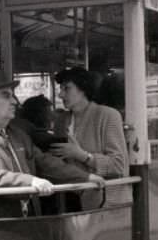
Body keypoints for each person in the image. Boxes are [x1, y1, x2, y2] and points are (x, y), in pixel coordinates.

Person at [0, 69, 105, 220]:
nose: (15, 101)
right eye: (6, 95)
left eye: (12, 95)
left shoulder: (18, 135)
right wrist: (31, 181)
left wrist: (85, 177)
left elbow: (45, 163)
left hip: (22, 222)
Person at [51, 66, 129, 209]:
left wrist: (83, 156)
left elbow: (118, 165)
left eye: (67, 88)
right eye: (60, 89)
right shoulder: (61, 121)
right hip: (69, 199)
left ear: (83, 89)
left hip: (105, 201)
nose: (61, 95)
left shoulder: (108, 115)